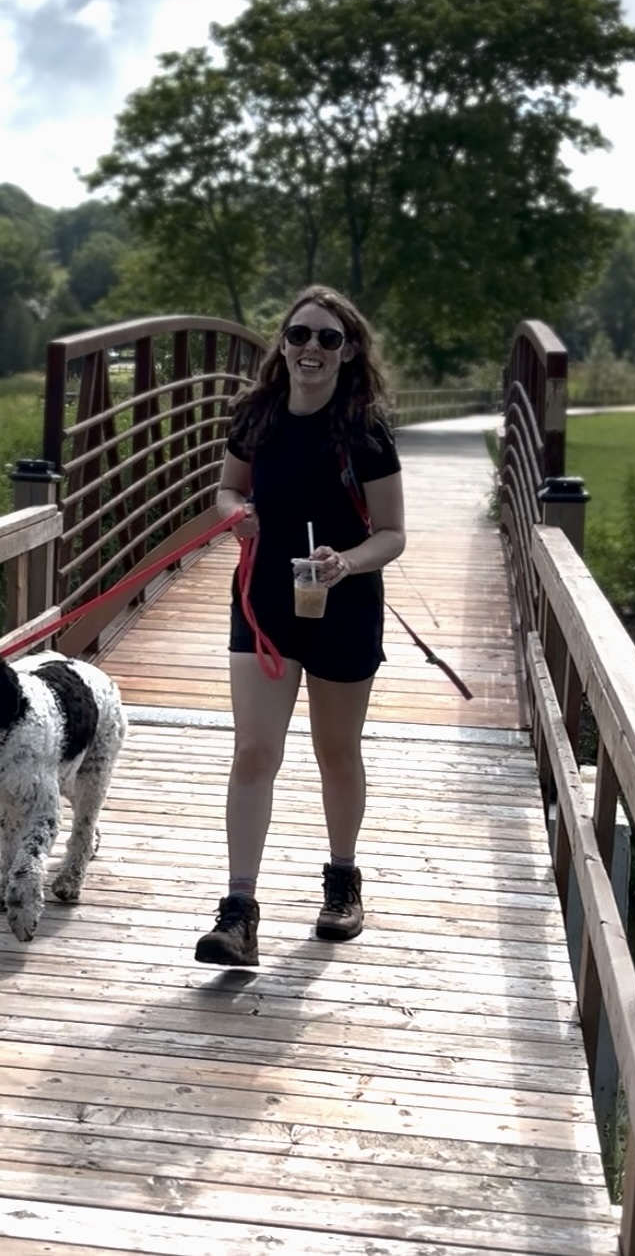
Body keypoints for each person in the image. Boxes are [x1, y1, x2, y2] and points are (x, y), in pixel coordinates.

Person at [194, 285, 406, 967]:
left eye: (327, 338)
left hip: (341, 604)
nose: (310, 348)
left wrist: (344, 561)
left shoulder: (364, 431)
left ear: (348, 354)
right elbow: (227, 488)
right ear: (280, 344)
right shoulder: (255, 416)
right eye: (298, 335)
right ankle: (237, 912)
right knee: (254, 751)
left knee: (334, 754)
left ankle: (342, 879)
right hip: (261, 605)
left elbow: (394, 535)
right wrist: (235, 514)